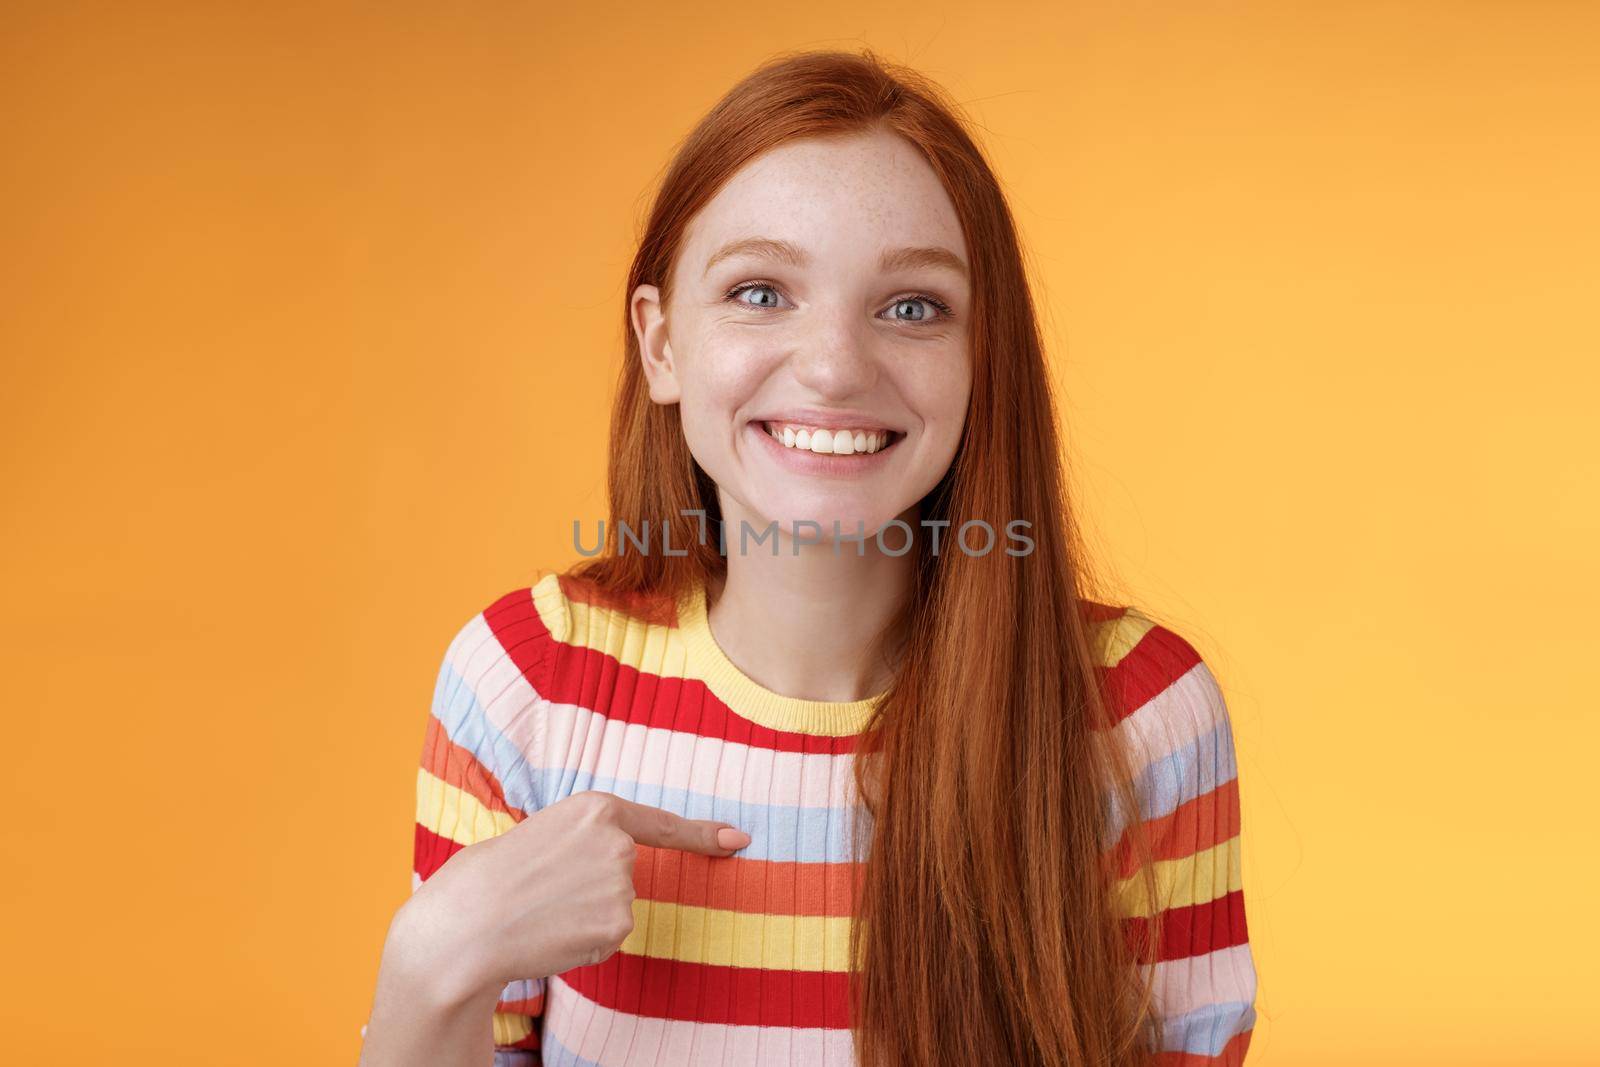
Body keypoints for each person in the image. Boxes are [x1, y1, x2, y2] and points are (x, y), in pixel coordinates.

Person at [358, 48, 1258, 1067]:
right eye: (759, 291)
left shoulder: (1139, 713)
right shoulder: (525, 680)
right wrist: (431, 956)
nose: (834, 366)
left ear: (981, 357)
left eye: (912, 306)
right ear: (660, 345)